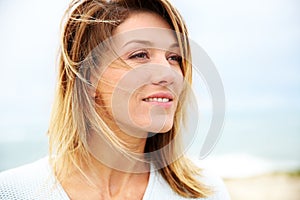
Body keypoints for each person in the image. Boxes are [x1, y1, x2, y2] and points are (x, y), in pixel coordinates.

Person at [0, 0, 231, 199]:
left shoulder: (205, 193)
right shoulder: (12, 192)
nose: (168, 73)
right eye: (139, 55)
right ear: (88, 80)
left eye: (174, 57)